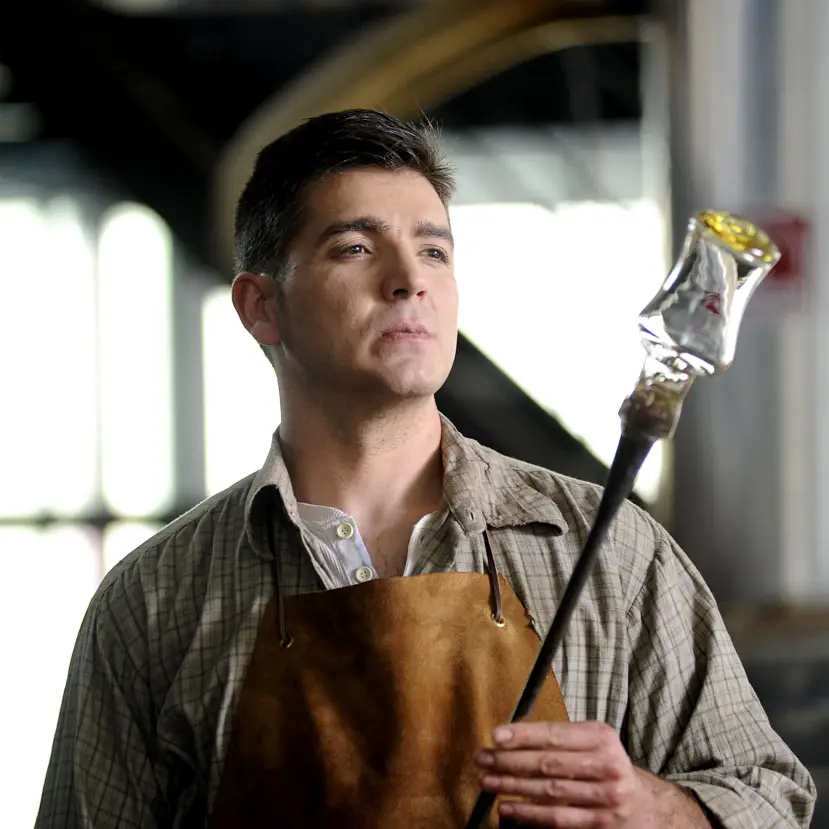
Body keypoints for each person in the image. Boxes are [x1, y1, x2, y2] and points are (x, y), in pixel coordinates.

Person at [36, 108, 814, 829]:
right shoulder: (155, 601)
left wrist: (647, 807)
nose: (409, 279)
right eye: (354, 248)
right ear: (259, 306)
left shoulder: (612, 554)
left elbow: (772, 801)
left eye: (433, 250)